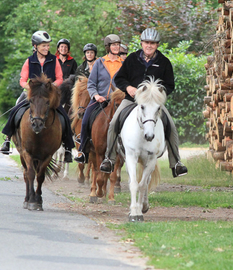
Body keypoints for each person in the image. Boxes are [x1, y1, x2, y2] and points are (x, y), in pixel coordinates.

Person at [99, 28, 188, 177]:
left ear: (157, 45)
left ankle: (176, 163)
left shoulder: (164, 62)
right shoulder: (132, 59)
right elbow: (119, 78)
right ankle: (109, 159)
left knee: (171, 126)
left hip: (153, 103)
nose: (149, 45)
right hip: (131, 100)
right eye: (147, 42)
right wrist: (128, 87)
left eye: (152, 43)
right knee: (114, 123)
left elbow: (170, 85)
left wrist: (160, 92)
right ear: (141, 43)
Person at [0, 30, 74, 162]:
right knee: (16, 109)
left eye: (48, 45)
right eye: (44, 45)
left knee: (64, 116)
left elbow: (60, 78)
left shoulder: (54, 60)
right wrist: (30, 87)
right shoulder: (29, 61)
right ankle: (7, 139)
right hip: (32, 93)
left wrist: (51, 86)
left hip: (48, 95)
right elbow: (22, 80)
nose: (47, 48)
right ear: (35, 46)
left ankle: (68, 147)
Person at [74, 34, 124, 163]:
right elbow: (91, 84)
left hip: (118, 100)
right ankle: (83, 152)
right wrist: (96, 96)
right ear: (108, 47)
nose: (116, 47)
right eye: (113, 45)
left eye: (118, 44)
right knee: (85, 121)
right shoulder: (99, 63)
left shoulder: (124, 64)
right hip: (99, 99)